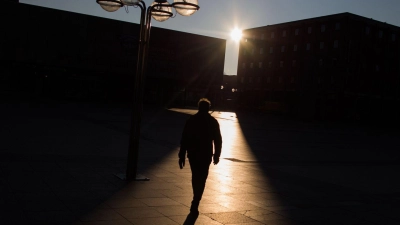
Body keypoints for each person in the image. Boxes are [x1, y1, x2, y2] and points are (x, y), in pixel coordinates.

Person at [179, 98, 222, 215]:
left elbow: (184, 139)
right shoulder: (212, 121)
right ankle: (196, 201)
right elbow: (218, 140)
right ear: (208, 108)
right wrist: (217, 155)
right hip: (206, 154)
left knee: (195, 176)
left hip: (193, 154)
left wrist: (181, 155)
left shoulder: (191, 120)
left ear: (198, 107)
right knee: (202, 178)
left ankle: (195, 197)